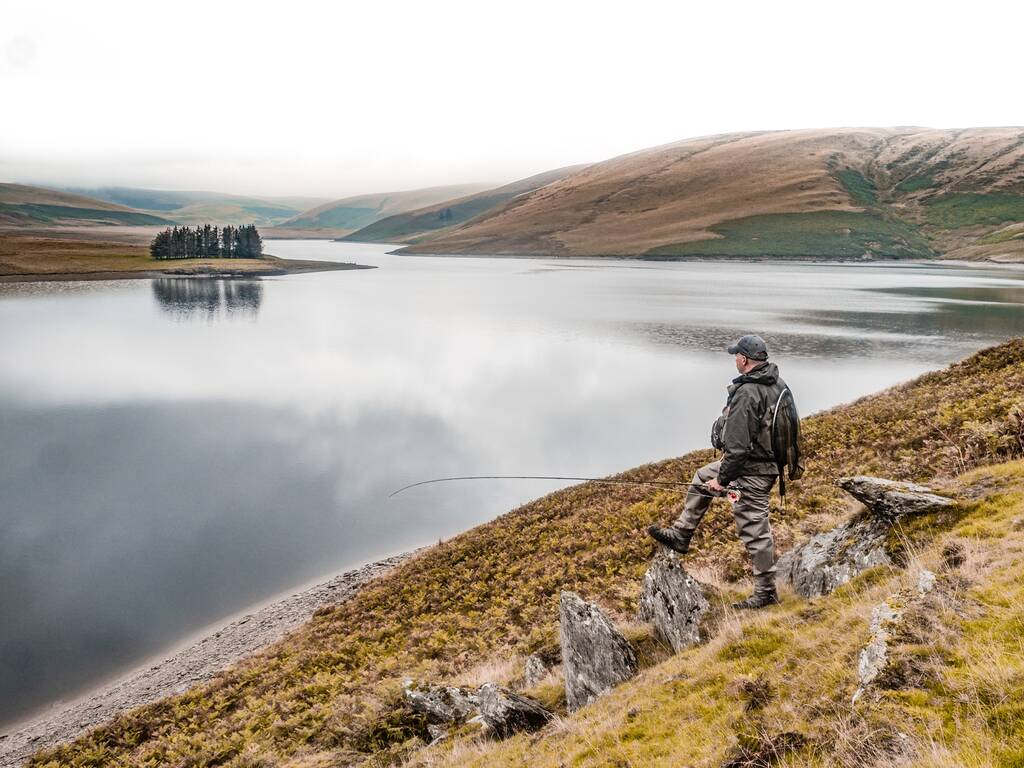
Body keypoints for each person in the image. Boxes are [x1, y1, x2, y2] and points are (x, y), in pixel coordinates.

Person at [647, 334, 789, 610]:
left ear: (745, 360)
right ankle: (681, 534)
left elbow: (737, 450)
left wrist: (722, 480)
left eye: (737, 355)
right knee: (702, 476)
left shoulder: (748, 394)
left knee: (755, 529)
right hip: (762, 463)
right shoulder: (775, 383)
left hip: (753, 470)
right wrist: (715, 477)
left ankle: (766, 593)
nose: (735, 358)